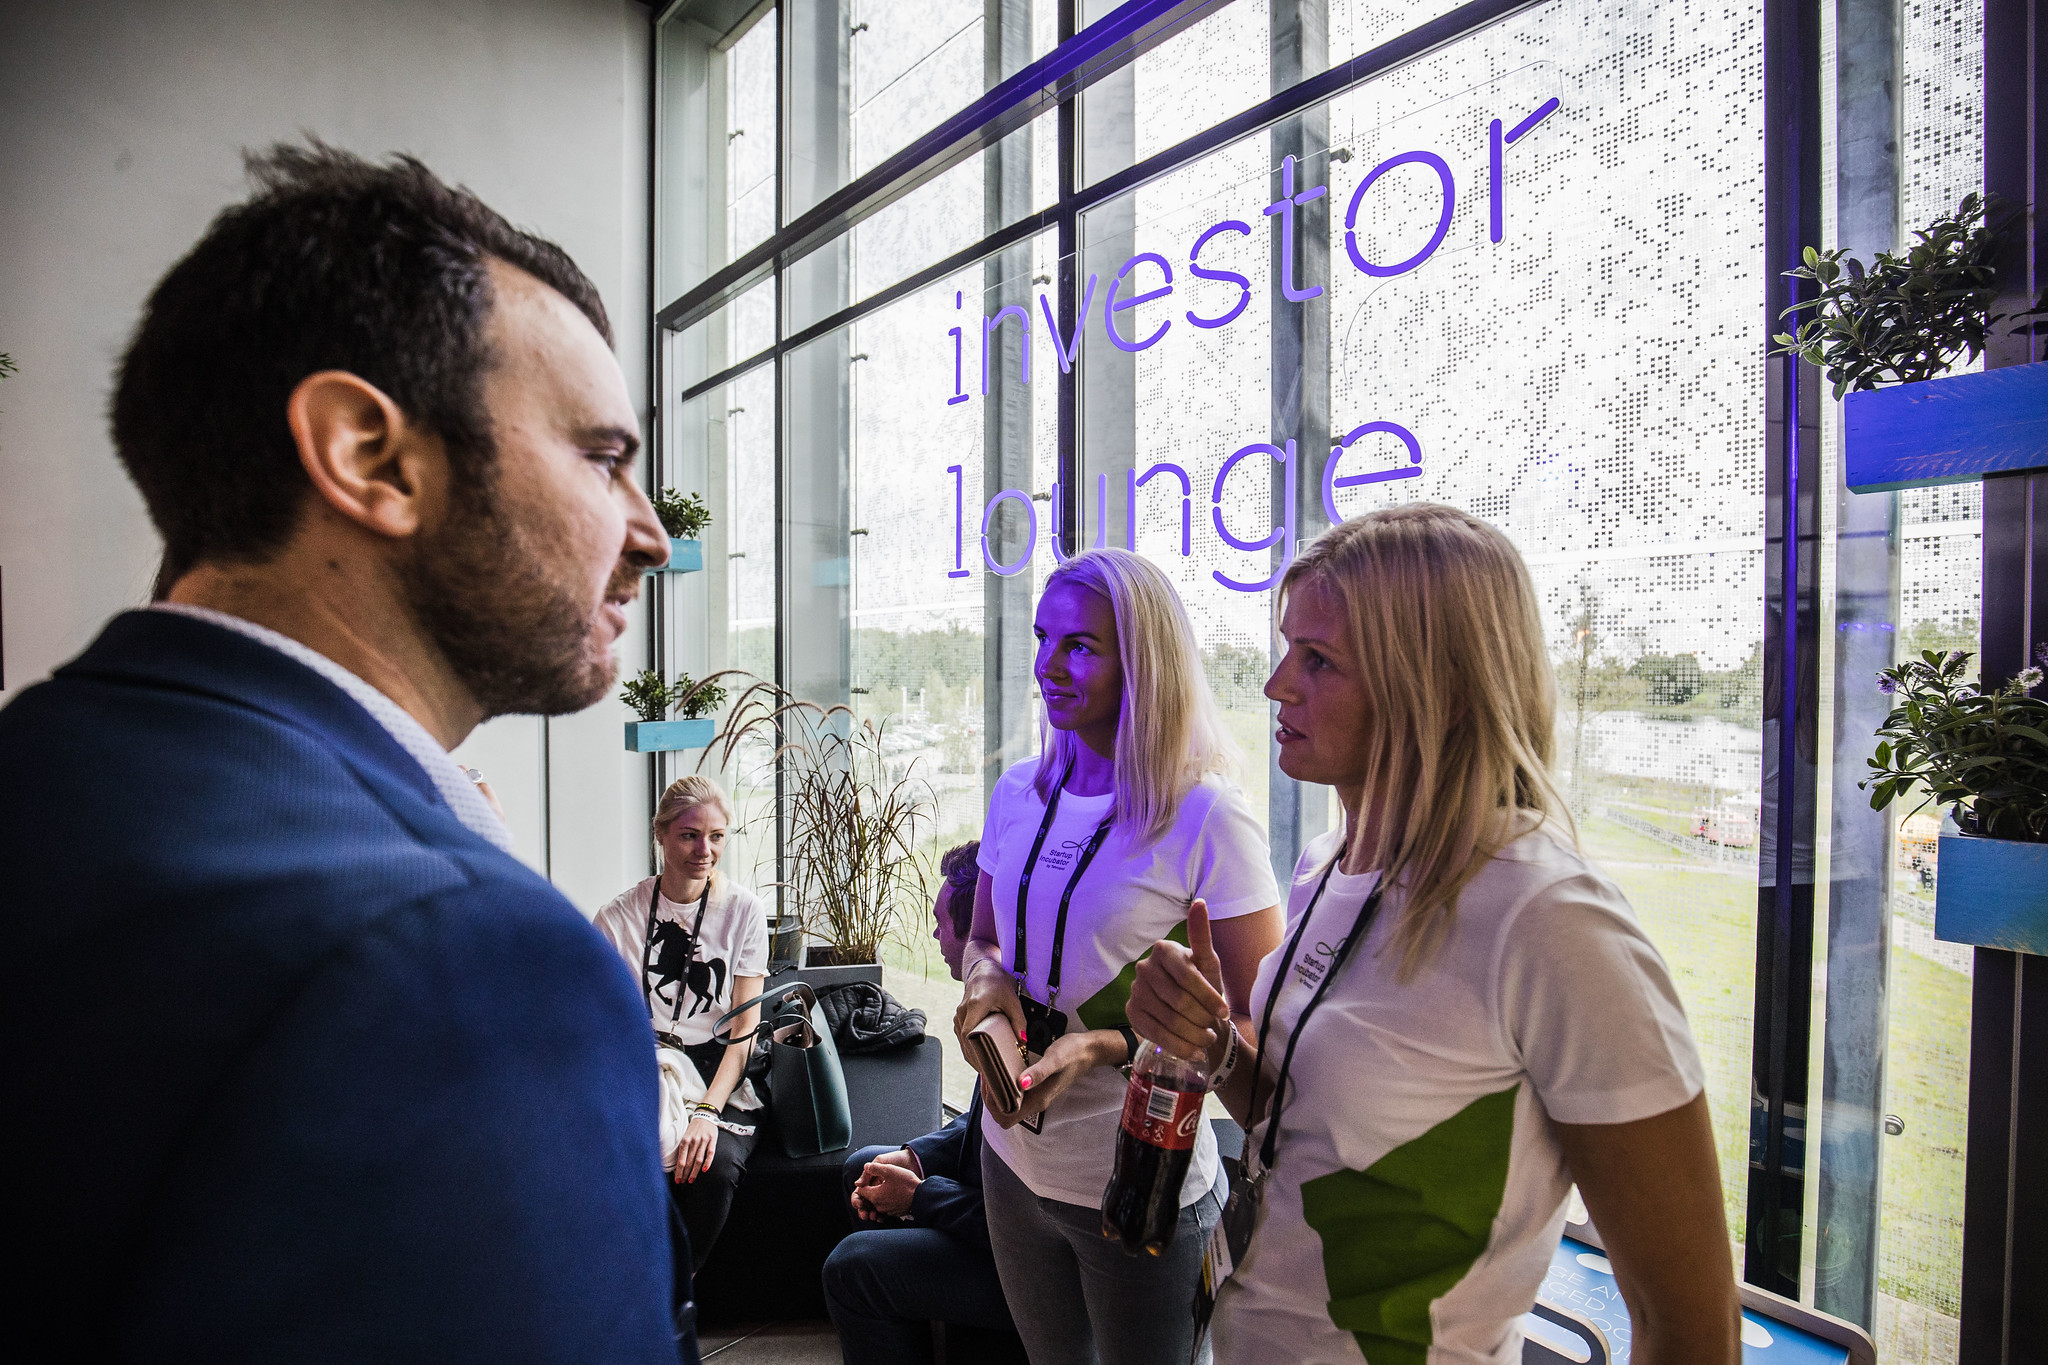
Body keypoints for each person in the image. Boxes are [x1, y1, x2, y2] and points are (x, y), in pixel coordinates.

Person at [0, 144, 685, 1361]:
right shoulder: (459, 962)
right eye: (601, 456)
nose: (649, 536)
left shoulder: (44, 771)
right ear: (370, 456)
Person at [1129, 504, 1742, 1365]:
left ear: (1431, 686)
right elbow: (1305, 1124)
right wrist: (1215, 1045)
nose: (1276, 685)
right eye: (1286, 649)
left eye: (1318, 659)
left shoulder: (1551, 919)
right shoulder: (1327, 865)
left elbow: (1691, 1327)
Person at [952, 548, 1284, 1365]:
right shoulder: (1018, 792)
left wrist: (1102, 1046)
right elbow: (982, 938)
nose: (1048, 666)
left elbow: (1257, 1031)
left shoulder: (1207, 816)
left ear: (1143, 661)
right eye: (1043, 638)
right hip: (1012, 1164)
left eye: (1081, 646)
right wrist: (985, 981)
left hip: (1141, 1181)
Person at [823, 841, 1016, 1365]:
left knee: (851, 1268)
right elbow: (981, 1123)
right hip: (986, 1204)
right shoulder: (1001, 1002)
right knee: (863, 1166)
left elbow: (1017, 1221)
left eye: (941, 924)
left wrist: (920, 1195)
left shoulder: (1020, 1029)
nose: (934, 936)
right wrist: (914, 1156)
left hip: (1018, 1259)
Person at [595, 775, 768, 1272]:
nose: (704, 851)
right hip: (646, 1063)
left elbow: (744, 1031)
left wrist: (707, 1112)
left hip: (722, 1072)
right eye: (689, 835)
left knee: (714, 1167)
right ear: (661, 835)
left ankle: (672, 1297)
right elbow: (603, 1028)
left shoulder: (744, 911)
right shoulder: (618, 918)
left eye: (716, 837)